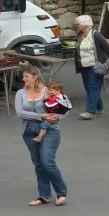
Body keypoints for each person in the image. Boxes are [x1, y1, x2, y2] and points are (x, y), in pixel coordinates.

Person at [15, 64, 67, 207]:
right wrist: (41, 115)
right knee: (38, 164)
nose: (24, 79)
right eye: (23, 77)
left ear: (35, 76)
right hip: (29, 130)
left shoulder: (48, 90)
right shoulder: (20, 93)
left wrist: (57, 117)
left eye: (26, 76)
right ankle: (43, 195)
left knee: (47, 161)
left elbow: (65, 107)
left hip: (50, 130)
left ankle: (61, 192)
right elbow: (20, 113)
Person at [73, 14, 109, 120]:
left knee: (92, 87)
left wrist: (106, 60)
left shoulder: (96, 35)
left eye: (78, 24)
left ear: (85, 25)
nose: (76, 26)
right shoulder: (80, 35)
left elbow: (106, 47)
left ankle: (91, 111)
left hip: (95, 65)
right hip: (83, 65)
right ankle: (99, 108)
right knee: (88, 87)